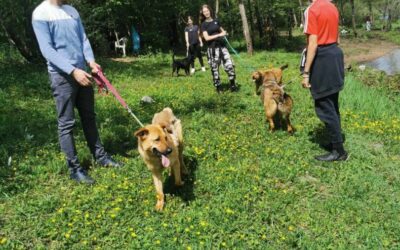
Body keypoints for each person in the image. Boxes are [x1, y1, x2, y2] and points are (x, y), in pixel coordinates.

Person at [32, 0, 122, 184]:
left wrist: (90, 61)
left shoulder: (72, 10)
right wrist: (72, 71)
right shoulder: (41, 13)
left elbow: (83, 39)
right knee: (66, 123)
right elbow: (47, 50)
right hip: (62, 76)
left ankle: (101, 157)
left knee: (89, 117)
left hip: (83, 72)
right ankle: (75, 169)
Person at [302, 0, 348, 162]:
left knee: (324, 106)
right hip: (335, 54)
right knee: (333, 104)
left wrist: (306, 72)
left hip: (322, 58)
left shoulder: (312, 9)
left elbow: (312, 43)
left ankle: (339, 152)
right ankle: (336, 142)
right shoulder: (332, 6)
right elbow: (337, 37)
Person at [200, 4, 238, 93]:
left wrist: (225, 33)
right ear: (203, 13)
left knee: (230, 65)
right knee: (214, 69)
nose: (206, 13)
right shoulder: (204, 24)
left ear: (210, 11)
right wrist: (219, 35)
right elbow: (207, 38)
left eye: (207, 10)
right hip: (212, 49)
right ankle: (218, 87)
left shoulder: (216, 21)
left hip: (222, 47)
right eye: (204, 12)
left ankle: (232, 84)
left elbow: (222, 31)